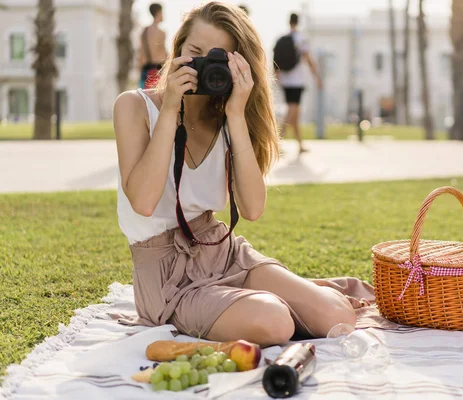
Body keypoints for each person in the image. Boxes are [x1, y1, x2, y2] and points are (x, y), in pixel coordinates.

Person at [113, 2, 371, 347]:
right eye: (195, 53)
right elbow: (143, 202)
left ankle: (274, 297)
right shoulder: (134, 106)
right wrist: (172, 105)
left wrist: (236, 114)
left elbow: (251, 209)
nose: (204, 66)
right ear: (178, 50)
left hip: (222, 251)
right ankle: (261, 301)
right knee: (273, 320)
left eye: (218, 59)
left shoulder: (227, 120)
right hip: (167, 276)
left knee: (337, 317)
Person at [274, 13, 323, 154]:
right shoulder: (300, 38)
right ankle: (277, 141)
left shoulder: (282, 38)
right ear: (298, 22)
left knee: (295, 114)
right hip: (296, 81)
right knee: (292, 111)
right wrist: (317, 77)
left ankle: (300, 145)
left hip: (285, 80)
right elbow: (308, 59)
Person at [138, 3, 168, 89]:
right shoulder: (161, 32)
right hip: (157, 69)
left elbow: (140, 54)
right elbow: (163, 54)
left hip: (146, 69)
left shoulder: (144, 31)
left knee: (145, 97)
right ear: (158, 13)